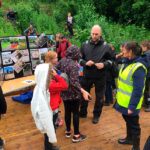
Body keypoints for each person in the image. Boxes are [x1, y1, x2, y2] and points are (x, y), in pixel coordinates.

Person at [114, 41, 149, 150]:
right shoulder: (126, 62)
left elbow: (138, 90)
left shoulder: (138, 68)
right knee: (128, 120)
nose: (121, 52)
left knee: (134, 125)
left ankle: (136, 147)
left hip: (131, 103)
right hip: (123, 100)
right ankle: (129, 139)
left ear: (130, 52)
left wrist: (132, 106)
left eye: (123, 50)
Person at [79, 25, 113, 124]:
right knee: (84, 94)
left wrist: (104, 64)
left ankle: (96, 115)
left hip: (100, 76)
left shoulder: (106, 46)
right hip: (87, 75)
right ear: (91, 33)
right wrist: (85, 63)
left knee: (100, 97)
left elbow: (112, 61)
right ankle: (83, 112)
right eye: (93, 34)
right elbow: (79, 59)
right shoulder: (84, 45)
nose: (94, 36)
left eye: (96, 34)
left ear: (100, 34)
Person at [56, 45, 91, 143]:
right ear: (76, 53)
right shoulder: (74, 65)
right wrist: (83, 91)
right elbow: (75, 82)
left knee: (67, 111)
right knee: (75, 112)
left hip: (64, 91)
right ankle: (76, 135)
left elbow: (54, 69)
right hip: (73, 93)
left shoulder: (62, 61)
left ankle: (68, 131)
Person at [31, 63, 57, 150]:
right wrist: (52, 137)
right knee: (48, 134)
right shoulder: (40, 96)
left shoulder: (40, 89)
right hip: (47, 123)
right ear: (44, 77)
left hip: (48, 117)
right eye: (49, 76)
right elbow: (46, 119)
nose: (51, 78)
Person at [45, 51, 66, 127]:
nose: (57, 58)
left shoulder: (51, 65)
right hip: (54, 88)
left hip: (54, 89)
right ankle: (57, 120)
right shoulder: (50, 68)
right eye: (56, 57)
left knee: (56, 105)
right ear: (51, 59)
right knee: (55, 105)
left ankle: (57, 119)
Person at [140, 40, 150, 112]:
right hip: (148, 74)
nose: (141, 48)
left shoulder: (146, 54)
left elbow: (146, 64)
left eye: (142, 47)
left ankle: (148, 105)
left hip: (147, 74)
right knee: (146, 89)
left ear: (145, 47)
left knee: (146, 90)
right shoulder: (147, 53)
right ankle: (146, 102)